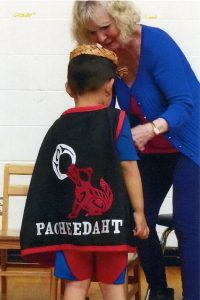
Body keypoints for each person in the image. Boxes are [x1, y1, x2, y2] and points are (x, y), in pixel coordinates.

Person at [71, 2, 200, 300]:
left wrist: (152, 128)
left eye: (106, 27)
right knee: (136, 218)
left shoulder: (157, 44)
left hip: (191, 142)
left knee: (187, 223)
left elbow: (184, 103)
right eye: (92, 32)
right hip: (152, 147)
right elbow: (110, 106)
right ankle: (158, 291)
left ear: (122, 18)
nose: (101, 37)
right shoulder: (109, 57)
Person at [20, 44, 149, 300]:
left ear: (69, 88)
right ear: (109, 85)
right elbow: (128, 167)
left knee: (76, 286)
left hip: (70, 229)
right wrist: (139, 212)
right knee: (112, 287)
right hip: (110, 225)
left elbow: (48, 182)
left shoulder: (59, 127)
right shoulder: (117, 120)